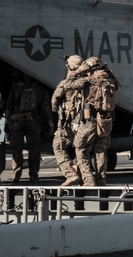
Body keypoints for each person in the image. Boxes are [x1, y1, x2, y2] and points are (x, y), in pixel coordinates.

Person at [73, 57, 119, 186]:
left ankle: (88, 179)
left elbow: (67, 85)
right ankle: (101, 179)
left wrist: (77, 71)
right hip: (105, 121)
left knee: (80, 147)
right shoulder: (110, 81)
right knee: (100, 150)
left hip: (90, 121)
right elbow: (118, 85)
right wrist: (107, 71)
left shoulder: (88, 81)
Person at [5, 70, 52, 183]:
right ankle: (34, 175)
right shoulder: (40, 90)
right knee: (34, 149)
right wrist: (50, 125)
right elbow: (46, 109)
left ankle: (16, 175)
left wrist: (7, 124)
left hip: (16, 121)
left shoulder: (16, 88)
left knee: (17, 149)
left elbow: (9, 107)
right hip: (33, 121)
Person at [51, 55, 85, 186]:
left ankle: (71, 174)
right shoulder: (87, 81)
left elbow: (55, 100)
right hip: (85, 122)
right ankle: (85, 177)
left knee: (58, 146)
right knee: (82, 150)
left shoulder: (67, 82)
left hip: (69, 123)